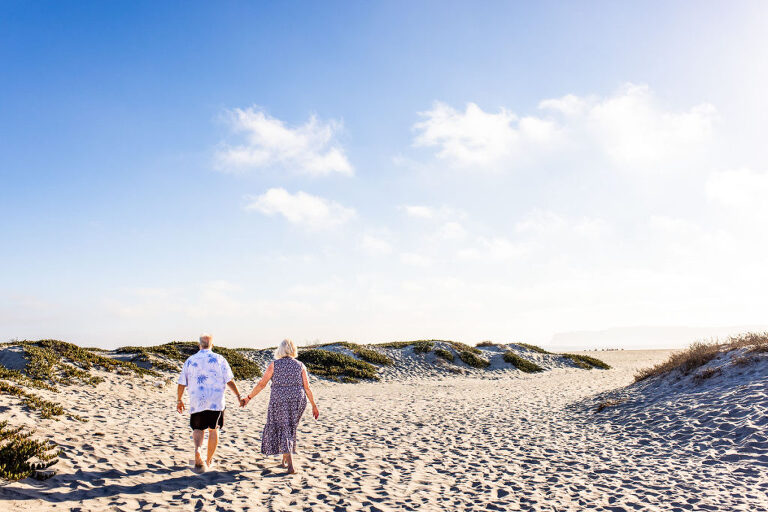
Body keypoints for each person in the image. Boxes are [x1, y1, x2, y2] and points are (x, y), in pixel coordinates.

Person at [242, 338, 319, 474]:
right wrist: (314, 405)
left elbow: (262, 384)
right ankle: (284, 459)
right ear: (293, 350)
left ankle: (290, 465)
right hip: (298, 399)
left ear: (280, 350)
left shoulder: (274, 365)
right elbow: (307, 387)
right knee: (289, 427)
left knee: (284, 428)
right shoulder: (300, 365)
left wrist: (249, 397)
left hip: (279, 399)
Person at [176, 333, 245, 471]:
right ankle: (208, 461)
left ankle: (197, 450)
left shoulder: (190, 360)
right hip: (216, 401)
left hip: (197, 401)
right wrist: (238, 395)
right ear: (212, 345)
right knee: (213, 430)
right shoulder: (220, 359)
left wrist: (179, 399)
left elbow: (181, 383)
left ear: (199, 345)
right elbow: (229, 380)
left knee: (197, 428)